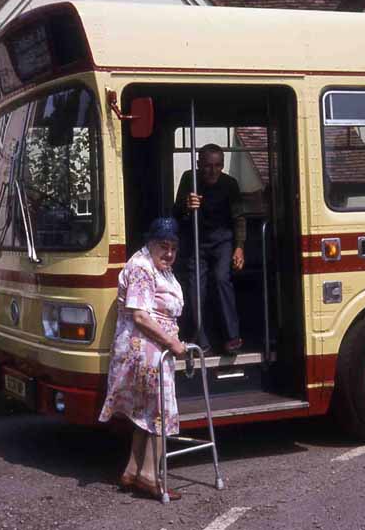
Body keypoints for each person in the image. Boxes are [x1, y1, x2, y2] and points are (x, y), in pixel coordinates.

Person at [99, 217, 186, 501]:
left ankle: (132, 471)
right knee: (161, 411)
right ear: (150, 244)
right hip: (145, 348)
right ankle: (150, 477)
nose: (169, 253)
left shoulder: (158, 267)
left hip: (151, 347)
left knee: (145, 413)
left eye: (173, 247)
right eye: (164, 246)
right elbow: (140, 315)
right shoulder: (140, 268)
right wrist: (172, 341)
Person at [173, 143, 245, 355]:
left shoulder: (230, 184)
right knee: (196, 287)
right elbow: (175, 212)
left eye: (218, 166)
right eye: (207, 166)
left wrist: (239, 248)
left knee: (222, 278)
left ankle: (232, 337)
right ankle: (201, 339)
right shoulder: (189, 179)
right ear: (198, 165)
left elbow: (239, 218)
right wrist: (187, 205)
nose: (213, 171)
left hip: (223, 241)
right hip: (197, 241)